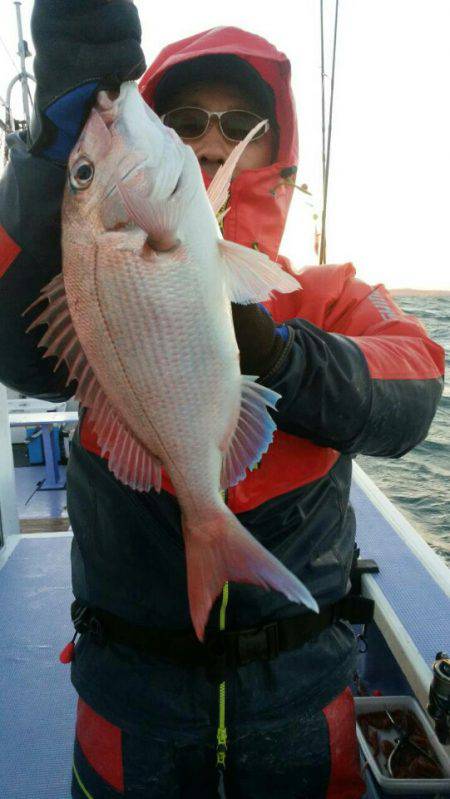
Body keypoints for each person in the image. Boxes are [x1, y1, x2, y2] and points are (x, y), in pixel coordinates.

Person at [0, 2, 445, 797]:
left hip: (300, 700)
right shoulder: (81, 269)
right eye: (185, 119)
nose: (211, 140)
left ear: (277, 152)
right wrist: (44, 164)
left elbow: (413, 386)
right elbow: (18, 343)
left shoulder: (323, 292)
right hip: (131, 704)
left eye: (241, 124)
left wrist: (282, 353)